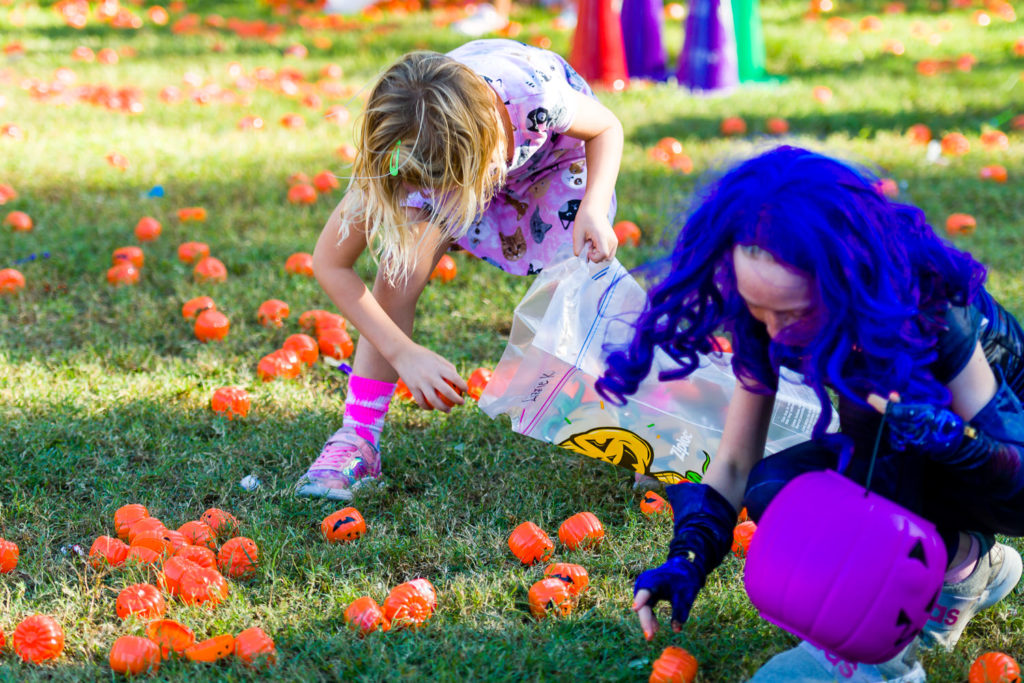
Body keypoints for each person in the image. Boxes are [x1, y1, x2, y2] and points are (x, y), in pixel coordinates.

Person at [598, 145, 1024, 681]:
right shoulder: (769, 311)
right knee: (776, 488)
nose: (773, 333)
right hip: (899, 443)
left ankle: (882, 660)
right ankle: (965, 565)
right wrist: (688, 555)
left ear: (845, 283)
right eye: (757, 312)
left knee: (879, 439)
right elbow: (734, 462)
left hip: (990, 463)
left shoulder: (934, 311)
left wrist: (957, 442)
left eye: (792, 314)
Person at [296, 39, 622, 500]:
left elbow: (606, 127)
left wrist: (592, 206)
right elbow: (330, 263)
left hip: (550, 162)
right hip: (454, 156)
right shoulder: (404, 144)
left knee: (586, 273)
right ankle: (358, 437)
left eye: (446, 188)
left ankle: (645, 425)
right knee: (400, 269)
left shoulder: (536, 96)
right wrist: (404, 351)